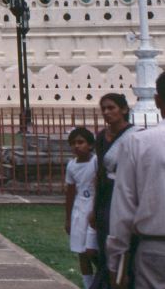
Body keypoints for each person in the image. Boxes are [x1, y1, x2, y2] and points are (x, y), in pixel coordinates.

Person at [107, 74, 165, 289]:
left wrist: (116, 260)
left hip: (155, 248)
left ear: (157, 101)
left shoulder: (139, 143)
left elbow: (123, 207)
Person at [92, 93, 135, 289]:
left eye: (111, 108)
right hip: (105, 196)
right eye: (104, 109)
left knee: (121, 244)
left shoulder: (134, 136)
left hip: (124, 194)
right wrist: (93, 208)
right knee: (104, 245)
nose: (107, 112)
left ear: (124, 109)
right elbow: (99, 172)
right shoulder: (102, 137)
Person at [65, 126, 99, 289]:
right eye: (73, 143)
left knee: (91, 249)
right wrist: (68, 219)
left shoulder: (96, 162)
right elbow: (71, 192)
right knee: (81, 252)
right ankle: (88, 284)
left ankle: (104, 278)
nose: (76, 146)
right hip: (79, 209)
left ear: (90, 145)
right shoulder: (71, 165)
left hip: (94, 207)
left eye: (80, 142)